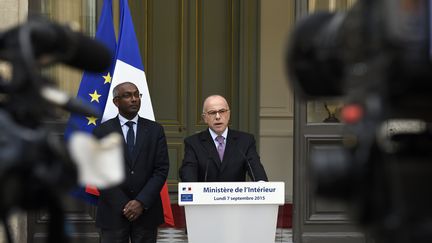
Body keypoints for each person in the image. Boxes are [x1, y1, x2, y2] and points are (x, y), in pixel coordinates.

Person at [92, 82, 169, 243]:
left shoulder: (155, 130)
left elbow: (161, 169)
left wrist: (140, 202)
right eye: (127, 95)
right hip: (113, 213)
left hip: (146, 212)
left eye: (136, 95)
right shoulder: (102, 131)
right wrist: (125, 205)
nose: (134, 99)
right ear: (116, 102)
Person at [179, 94, 268, 182]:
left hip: (235, 196)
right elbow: (188, 173)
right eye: (212, 112)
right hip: (205, 196)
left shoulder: (245, 141)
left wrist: (262, 185)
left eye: (222, 111)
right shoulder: (193, 143)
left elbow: (256, 169)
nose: (218, 117)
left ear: (228, 114)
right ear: (204, 118)